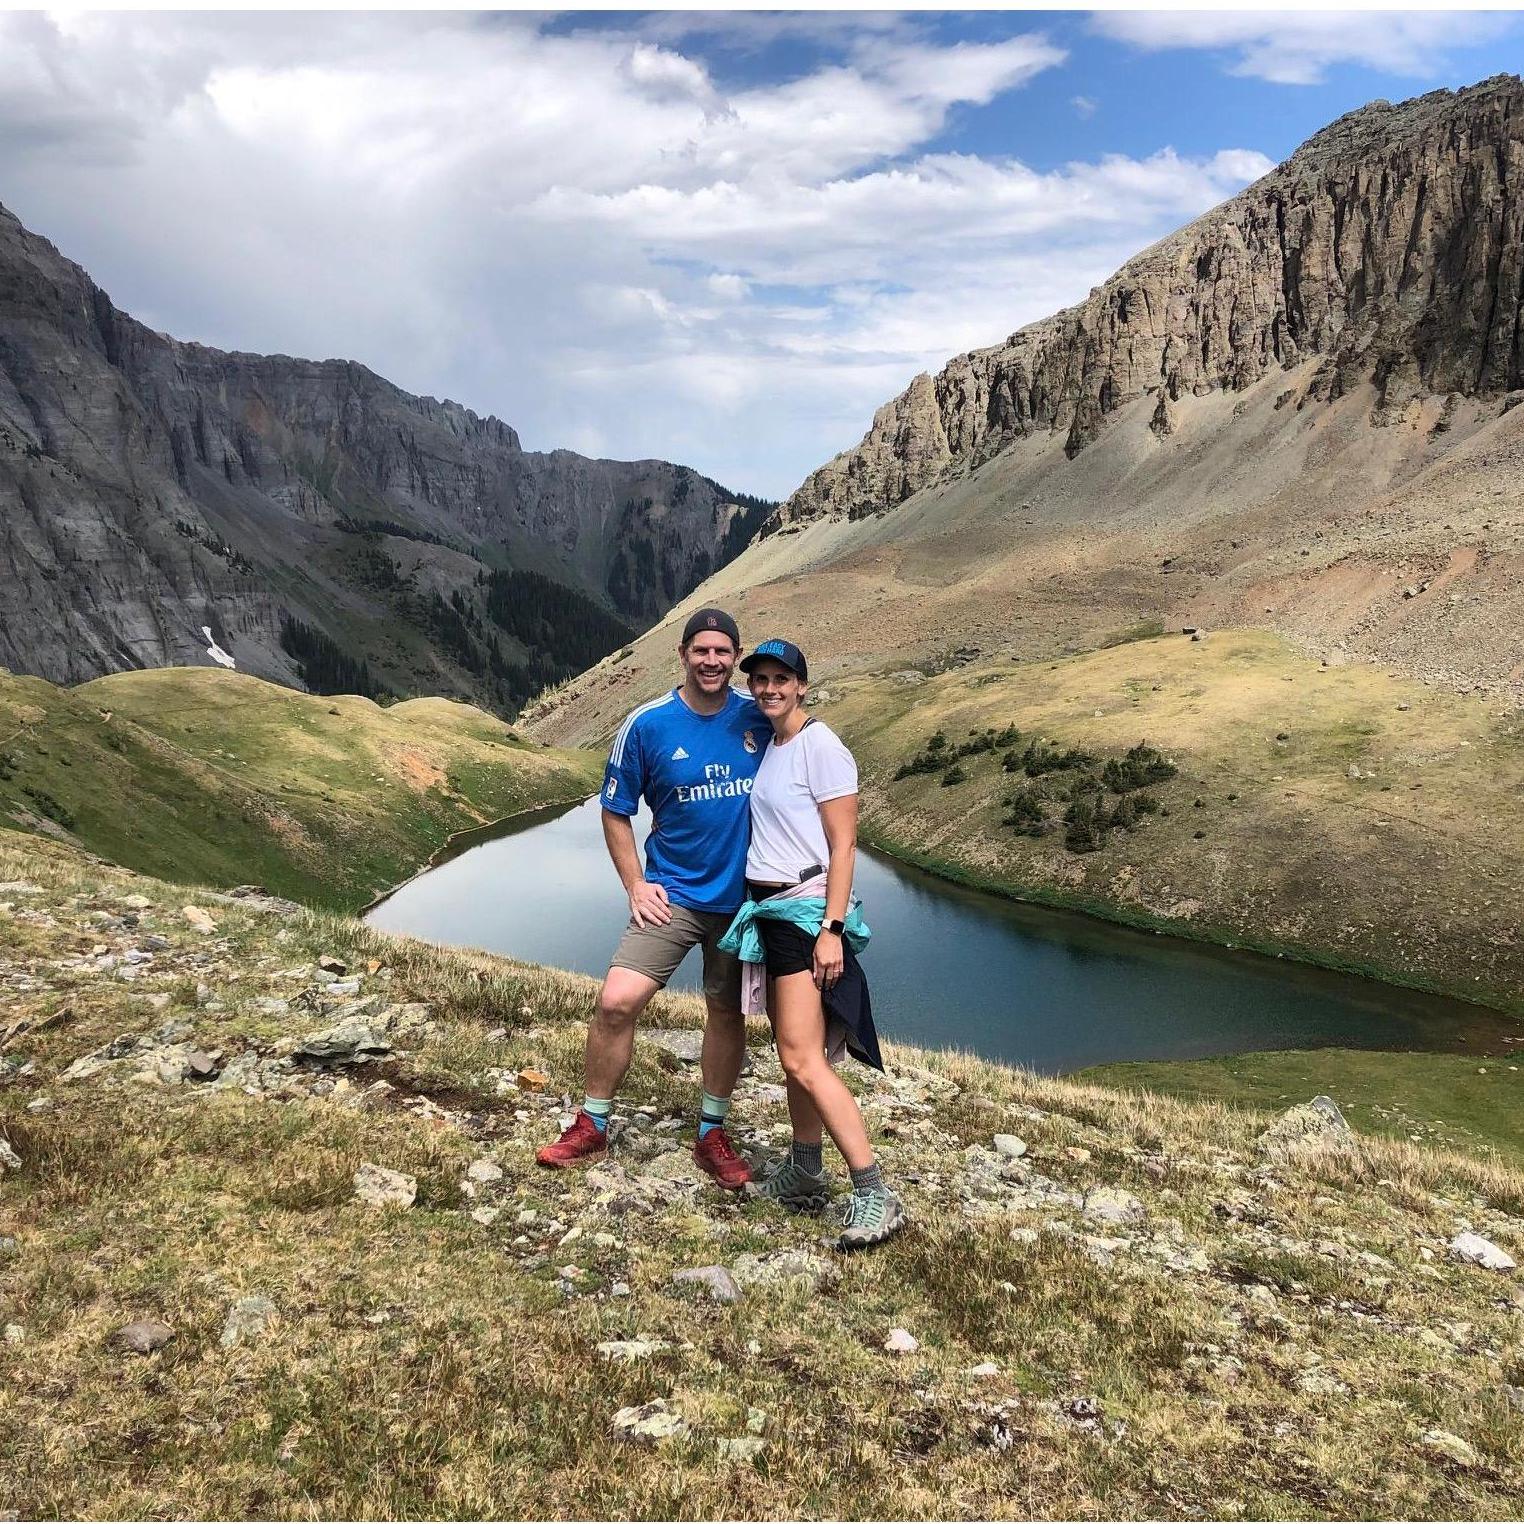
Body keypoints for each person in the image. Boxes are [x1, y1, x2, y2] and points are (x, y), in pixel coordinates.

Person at [536, 607, 767, 1189]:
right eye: (701, 650)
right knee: (616, 1001)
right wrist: (637, 884)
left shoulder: (759, 717)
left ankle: (711, 1132)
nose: (711, 661)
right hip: (675, 895)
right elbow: (615, 810)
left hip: (743, 901)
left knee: (726, 1010)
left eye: (722, 652)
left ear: (735, 658)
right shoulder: (648, 724)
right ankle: (592, 1122)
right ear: (683, 654)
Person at [719, 637, 906, 1251]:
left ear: (802, 685)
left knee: (802, 1057)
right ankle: (804, 1170)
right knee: (796, 1052)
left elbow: (843, 845)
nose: (769, 689)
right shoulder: (776, 745)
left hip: (804, 916)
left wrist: (830, 930)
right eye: (761, 679)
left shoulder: (821, 747)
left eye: (781, 679)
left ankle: (875, 1191)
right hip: (774, 913)